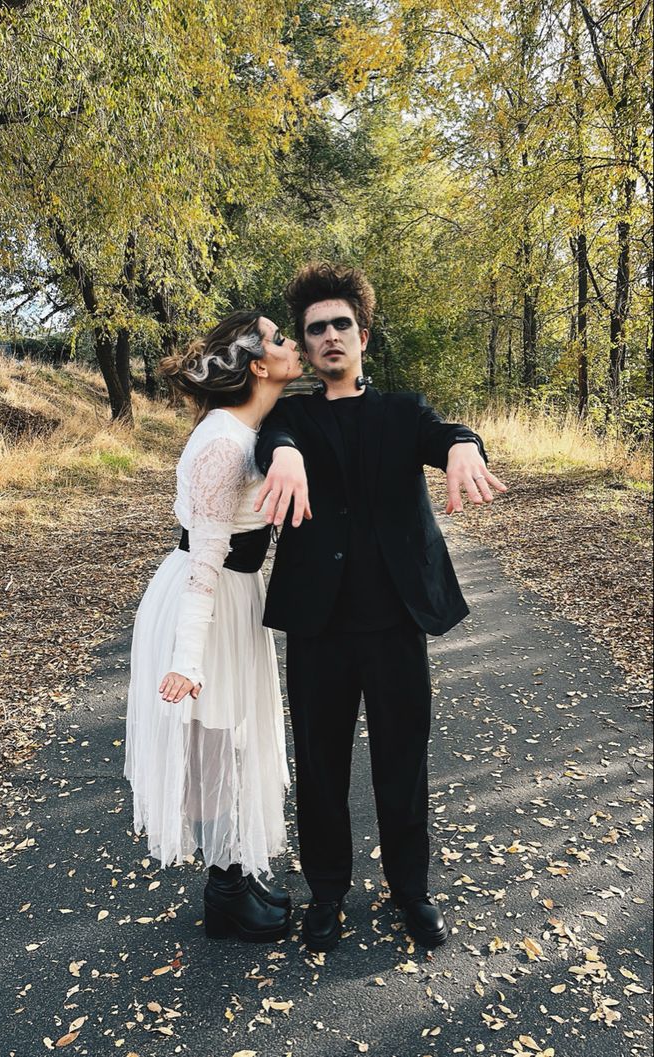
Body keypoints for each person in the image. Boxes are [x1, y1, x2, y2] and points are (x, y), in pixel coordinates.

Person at [254, 263, 507, 953]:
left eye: (340, 324)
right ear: (304, 349)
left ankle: (410, 890)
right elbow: (267, 439)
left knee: (403, 764)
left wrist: (462, 445)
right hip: (319, 626)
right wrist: (282, 456)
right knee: (321, 765)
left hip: (395, 622)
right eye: (315, 330)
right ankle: (327, 893)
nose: (329, 336)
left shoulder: (402, 411)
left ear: (361, 336)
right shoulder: (291, 416)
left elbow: (446, 431)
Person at [124, 310, 302, 943]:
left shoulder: (248, 427)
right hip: (209, 599)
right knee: (218, 740)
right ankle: (223, 895)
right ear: (258, 364)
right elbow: (204, 561)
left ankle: (235, 870)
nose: (292, 344)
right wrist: (188, 658)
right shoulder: (223, 443)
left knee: (236, 740)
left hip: (236, 594)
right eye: (280, 339)